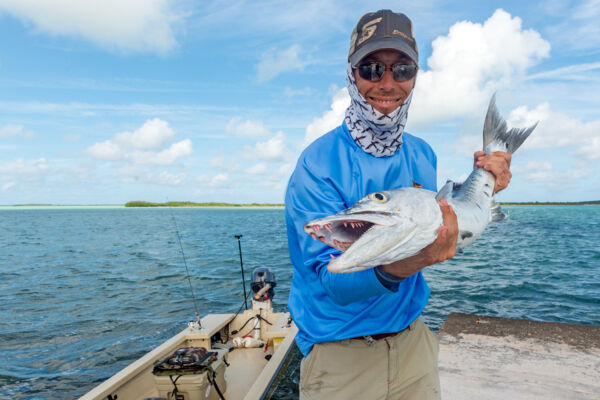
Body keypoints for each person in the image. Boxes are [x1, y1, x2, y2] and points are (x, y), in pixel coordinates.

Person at [284, 9, 512, 400]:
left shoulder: (422, 153)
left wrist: (488, 181)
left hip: (414, 346)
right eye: (371, 69)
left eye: (402, 69)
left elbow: (438, 218)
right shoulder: (316, 164)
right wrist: (411, 262)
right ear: (352, 74)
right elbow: (330, 281)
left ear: (415, 76)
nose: (387, 84)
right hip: (341, 359)